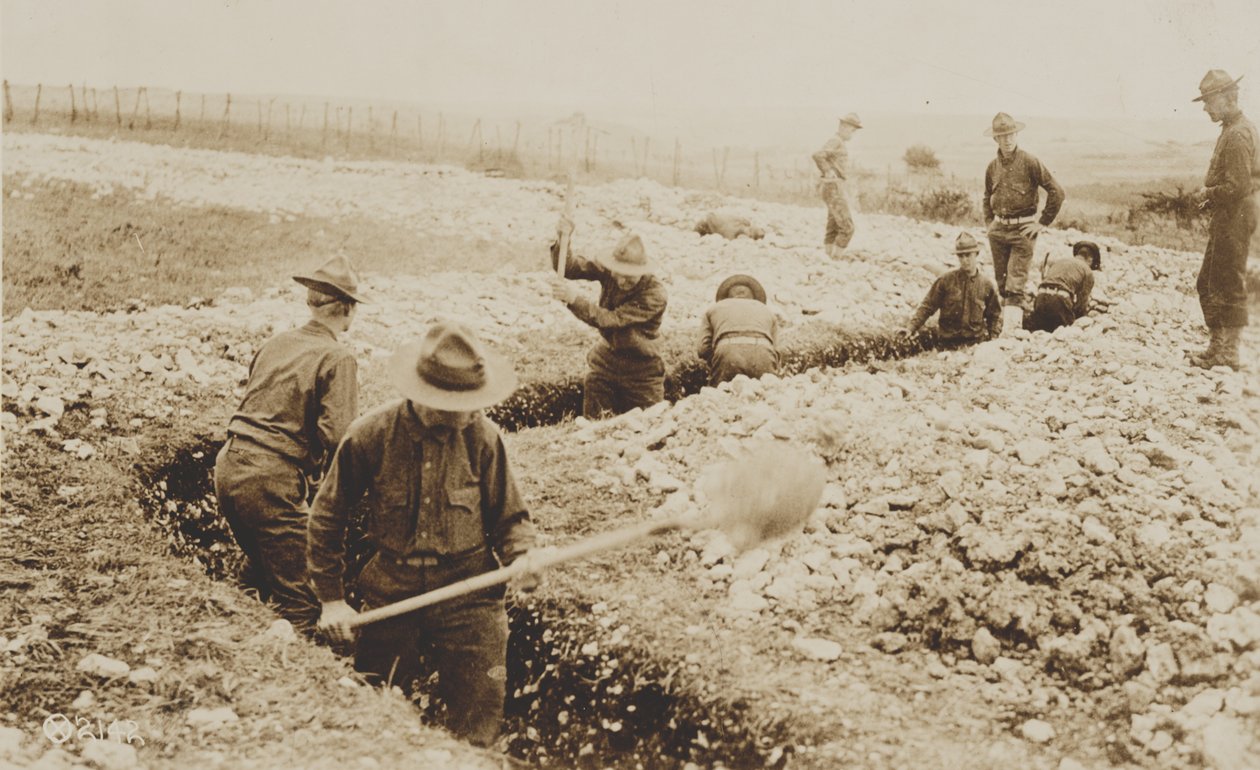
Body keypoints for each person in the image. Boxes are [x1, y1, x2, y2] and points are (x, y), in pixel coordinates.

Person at [309, 323, 537, 748]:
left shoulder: (483, 438)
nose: (474, 412)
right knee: (376, 707)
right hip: (392, 591)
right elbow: (327, 516)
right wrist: (331, 598)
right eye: (464, 404)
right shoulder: (370, 435)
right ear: (431, 400)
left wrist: (522, 557)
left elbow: (511, 519)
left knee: (479, 716)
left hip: (470, 593)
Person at [213, 255, 364, 633]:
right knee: (303, 598)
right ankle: (302, 670)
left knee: (260, 569)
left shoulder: (277, 342)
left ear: (311, 304)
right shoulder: (337, 356)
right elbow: (339, 436)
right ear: (346, 309)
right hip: (269, 480)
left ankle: (224, 632)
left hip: (228, 467)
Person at [550, 217, 668, 419]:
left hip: (642, 371)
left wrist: (573, 299)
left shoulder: (654, 294)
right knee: (594, 426)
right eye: (618, 273)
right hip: (606, 362)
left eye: (629, 276)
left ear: (642, 271)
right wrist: (563, 239)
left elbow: (611, 319)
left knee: (650, 429)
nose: (621, 280)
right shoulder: (609, 269)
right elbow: (570, 267)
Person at [1189, 69, 1258, 371]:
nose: (1205, 108)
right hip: (1231, 215)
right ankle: (1218, 348)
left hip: (1235, 216)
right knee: (1209, 281)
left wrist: (1207, 193)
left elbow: (1238, 187)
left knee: (1226, 282)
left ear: (1227, 98)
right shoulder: (1234, 128)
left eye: (1209, 101)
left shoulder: (1238, 134)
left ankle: (1227, 354)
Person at [982, 112, 1066, 333]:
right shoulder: (992, 167)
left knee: (1015, 284)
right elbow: (986, 196)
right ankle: (1007, 325)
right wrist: (990, 224)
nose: (1008, 139)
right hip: (998, 230)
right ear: (996, 139)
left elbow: (1056, 191)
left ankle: (1011, 336)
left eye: (1011, 134)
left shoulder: (1029, 162)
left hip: (1023, 230)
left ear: (1017, 134)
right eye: (1002, 136)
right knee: (1002, 284)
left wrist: (1042, 222)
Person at [901, 232, 1002, 341]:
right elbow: (927, 306)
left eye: (968, 255)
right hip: (946, 345)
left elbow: (994, 316)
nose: (964, 260)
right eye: (960, 256)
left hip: (974, 345)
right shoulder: (945, 280)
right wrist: (910, 328)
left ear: (976, 254)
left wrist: (993, 340)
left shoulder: (986, 285)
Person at [699, 274, 779, 386]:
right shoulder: (768, 311)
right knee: (766, 396)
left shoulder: (713, 310)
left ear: (727, 296)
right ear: (753, 296)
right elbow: (776, 350)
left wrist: (717, 360)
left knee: (720, 397)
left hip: (728, 354)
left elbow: (702, 349)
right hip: (763, 355)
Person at [812, 112, 863, 259]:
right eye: (852, 130)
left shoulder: (837, 141)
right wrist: (827, 170)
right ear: (844, 127)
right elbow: (818, 155)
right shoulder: (836, 141)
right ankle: (835, 260)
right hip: (833, 187)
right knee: (847, 227)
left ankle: (828, 257)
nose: (852, 135)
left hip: (832, 187)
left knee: (834, 224)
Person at [1027, 240, 1100, 333]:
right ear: (1090, 259)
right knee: (1066, 333)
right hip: (1059, 301)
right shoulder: (1087, 271)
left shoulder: (1059, 261)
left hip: (1040, 299)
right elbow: (1082, 302)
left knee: (1037, 331)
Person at [694, 212, 766, 240]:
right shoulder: (731, 233)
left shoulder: (742, 225)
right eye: (749, 230)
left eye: (750, 235)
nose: (747, 232)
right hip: (708, 224)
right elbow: (710, 216)